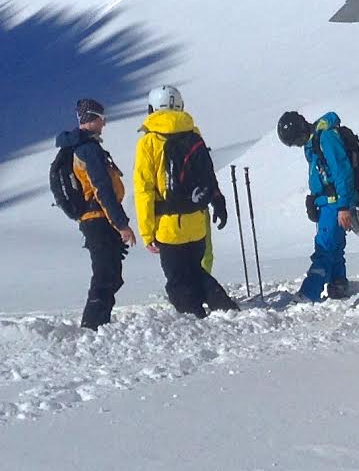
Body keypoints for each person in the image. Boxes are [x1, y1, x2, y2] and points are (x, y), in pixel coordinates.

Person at [133, 84, 231, 318]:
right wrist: (218, 201)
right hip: (196, 221)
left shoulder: (149, 142)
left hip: (168, 226)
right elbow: (207, 173)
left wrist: (147, 233)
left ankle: (195, 318)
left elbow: (144, 190)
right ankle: (225, 308)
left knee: (177, 280)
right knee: (196, 271)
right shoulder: (193, 135)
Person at [57, 98, 134, 330]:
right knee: (105, 275)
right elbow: (102, 189)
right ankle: (92, 327)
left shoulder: (80, 147)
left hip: (95, 220)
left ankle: (98, 324)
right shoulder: (88, 150)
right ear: (92, 118)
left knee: (110, 274)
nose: (104, 124)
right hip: (98, 220)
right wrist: (121, 224)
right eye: (102, 119)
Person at [277, 109, 359, 301]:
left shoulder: (325, 139)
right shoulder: (313, 142)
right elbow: (321, 174)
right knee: (334, 245)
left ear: (301, 130)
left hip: (335, 203)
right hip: (327, 201)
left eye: (297, 141)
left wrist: (342, 207)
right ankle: (338, 282)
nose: (298, 145)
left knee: (324, 249)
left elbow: (342, 172)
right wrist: (313, 198)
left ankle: (310, 293)